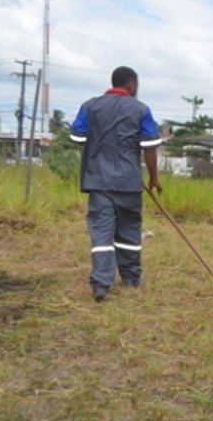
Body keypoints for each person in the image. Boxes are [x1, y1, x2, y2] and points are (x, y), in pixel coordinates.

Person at [70, 66, 163, 302]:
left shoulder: (90, 106)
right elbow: (149, 147)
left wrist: (98, 142)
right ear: (130, 84)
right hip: (129, 182)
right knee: (129, 230)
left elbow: (77, 136)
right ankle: (131, 278)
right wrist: (153, 178)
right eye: (137, 86)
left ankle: (101, 284)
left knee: (102, 232)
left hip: (99, 180)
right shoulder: (141, 109)